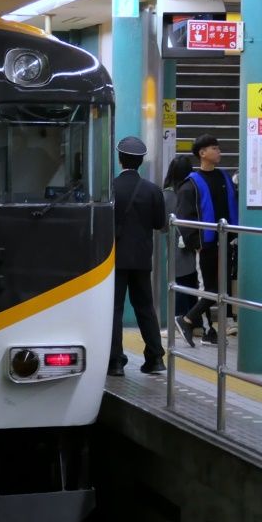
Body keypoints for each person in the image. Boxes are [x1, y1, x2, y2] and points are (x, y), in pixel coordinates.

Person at [109, 137, 167, 376]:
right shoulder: (152, 190)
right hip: (142, 259)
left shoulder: (109, 188)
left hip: (113, 260)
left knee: (115, 309)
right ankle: (155, 358)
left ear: (120, 159)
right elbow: (159, 223)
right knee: (145, 307)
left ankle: (115, 362)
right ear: (141, 161)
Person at [174, 134, 238, 347]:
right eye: (214, 148)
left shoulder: (224, 177)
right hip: (205, 244)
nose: (219, 151)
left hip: (225, 242)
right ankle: (194, 324)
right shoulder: (191, 184)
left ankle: (199, 325)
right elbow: (184, 217)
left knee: (220, 288)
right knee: (208, 288)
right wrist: (196, 243)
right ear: (202, 153)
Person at [161, 153, 199, 325]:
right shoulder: (193, 190)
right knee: (192, 282)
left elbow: (162, 226)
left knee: (179, 284)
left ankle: (180, 320)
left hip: (176, 246)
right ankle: (194, 321)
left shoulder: (166, 195)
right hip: (195, 243)